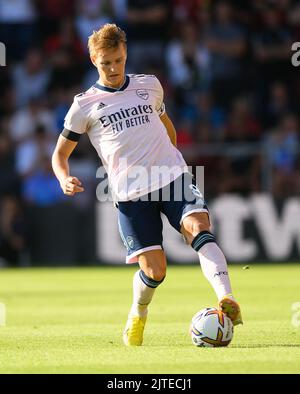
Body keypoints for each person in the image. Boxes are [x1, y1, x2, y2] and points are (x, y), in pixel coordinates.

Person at [51, 23, 242, 346]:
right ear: (93, 59)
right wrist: (63, 177)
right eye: (106, 62)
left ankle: (227, 298)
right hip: (130, 192)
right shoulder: (84, 105)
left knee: (198, 226)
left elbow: (167, 128)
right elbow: (60, 154)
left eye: (119, 60)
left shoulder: (149, 86)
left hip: (172, 177)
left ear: (126, 55)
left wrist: (168, 158)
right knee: (155, 271)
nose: (113, 68)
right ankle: (138, 313)